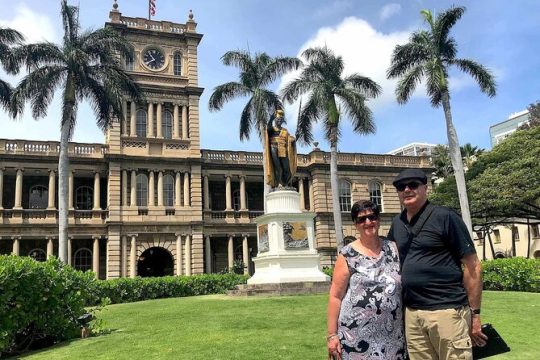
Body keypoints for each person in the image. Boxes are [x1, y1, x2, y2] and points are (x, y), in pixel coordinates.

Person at [387, 168, 487, 360]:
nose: (406, 189)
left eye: (413, 185)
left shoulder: (445, 217)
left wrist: (475, 315)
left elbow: (473, 266)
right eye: (401, 187)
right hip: (413, 314)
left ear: (425, 188)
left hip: (446, 311)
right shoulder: (397, 223)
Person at [327, 200, 406, 360]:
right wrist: (331, 335)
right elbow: (335, 297)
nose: (368, 222)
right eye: (361, 219)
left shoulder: (393, 248)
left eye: (372, 217)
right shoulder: (347, 254)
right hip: (355, 335)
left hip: (393, 334)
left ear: (378, 219)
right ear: (355, 224)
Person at [264, 109, 297, 188]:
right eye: (278, 119)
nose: (279, 121)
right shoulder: (272, 129)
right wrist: (271, 119)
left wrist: (295, 139)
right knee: (278, 168)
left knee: (287, 169)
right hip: (274, 148)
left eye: (281, 120)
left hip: (283, 149)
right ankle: (279, 183)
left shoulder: (285, 131)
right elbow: (268, 129)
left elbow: (290, 141)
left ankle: (284, 183)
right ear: (275, 120)